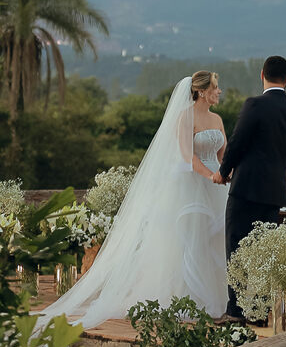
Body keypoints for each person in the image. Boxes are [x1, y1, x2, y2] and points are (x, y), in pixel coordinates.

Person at [38, 71, 229, 329]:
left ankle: (216, 297)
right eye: (216, 88)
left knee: (214, 242)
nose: (219, 92)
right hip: (192, 186)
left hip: (217, 186)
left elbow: (222, 153)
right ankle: (189, 298)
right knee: (189, 242)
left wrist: (225, 174)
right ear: (202, 91)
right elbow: (187, 155)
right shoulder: (185, 117)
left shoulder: (217, 118)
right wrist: (211, 175)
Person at [215, 55, 286, 320]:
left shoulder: (254, 104)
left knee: (236, 247)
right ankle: (262, 309)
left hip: (245, 188)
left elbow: (237, 142)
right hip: (273, 192)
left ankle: (237, 309)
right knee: (266, 252)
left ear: (262, 74)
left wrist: (223, 172)